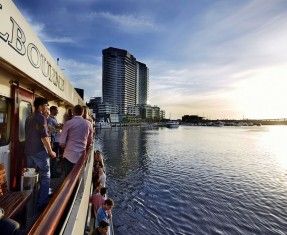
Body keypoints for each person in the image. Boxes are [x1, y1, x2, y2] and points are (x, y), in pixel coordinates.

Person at [25, 97, 56, 211]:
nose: (47, 108)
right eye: (46, 106)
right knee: (45, 177)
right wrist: (50, 151)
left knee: (31, 177)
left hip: (29, 151)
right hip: (39, 152)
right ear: (41, 107)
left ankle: (29, 203)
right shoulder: (41, 118)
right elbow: (44, 137)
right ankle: (41, 203)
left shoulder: (29, 117)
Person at [59, 105, 93, 175]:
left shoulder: (68, 123)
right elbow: (90, 141)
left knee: (68, 175)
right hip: (82, 154)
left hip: (69, 154)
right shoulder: (89, 124)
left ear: (73, 112)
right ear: (83, 113)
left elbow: (62, 143)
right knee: (79, 174)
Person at [47, 106, 62, 178]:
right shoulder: (50, 119)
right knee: (54, 157)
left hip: (56, 140)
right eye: (56, 110)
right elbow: (50, 129)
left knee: (56, 157)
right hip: (54, 140)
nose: (58, 112)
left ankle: (54, 171)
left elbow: (55, 127)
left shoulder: (54, 118)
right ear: (52, 110)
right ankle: (53, 173)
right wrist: (58, 128)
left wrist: (58, 126)